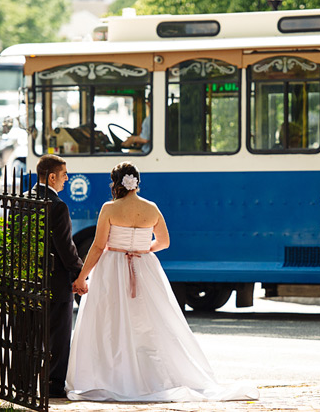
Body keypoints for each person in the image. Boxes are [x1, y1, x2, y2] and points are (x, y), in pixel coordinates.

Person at [65, 162, 259, 402]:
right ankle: (147, 375)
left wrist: (82, 276)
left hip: (111, 267)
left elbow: (97, 246)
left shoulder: (109, 208)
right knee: (147, 321)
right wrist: (141, 249)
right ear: (136, 182)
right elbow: (164, 242)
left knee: (110, 320)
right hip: (144, 266)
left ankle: (113, 375)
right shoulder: (152, 208)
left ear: (116, 183)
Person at [33, 154, 84, 398]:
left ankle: (25, 380)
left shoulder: (23, 199)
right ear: (52, 177)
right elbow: (65, 246)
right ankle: (53, 385)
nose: (67, 179)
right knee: (58, 337)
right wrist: (79, 273)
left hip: (30, 279)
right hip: (55, 280)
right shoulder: (58, 206)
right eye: (64, 175)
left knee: (31, 333)